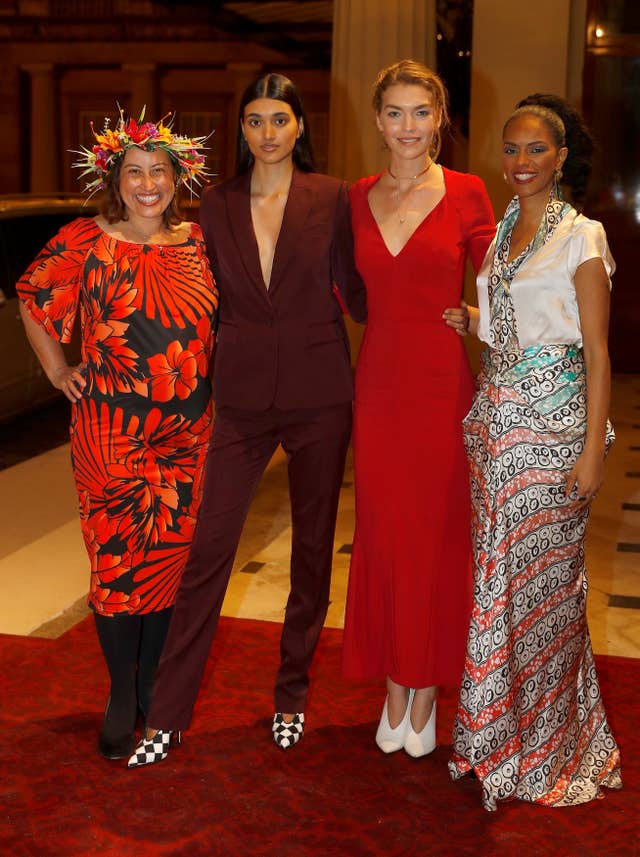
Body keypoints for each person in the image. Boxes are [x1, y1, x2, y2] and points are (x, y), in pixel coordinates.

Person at [127, 72, 367, 767]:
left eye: (279, 120)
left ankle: (290, 695)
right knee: (209, 552)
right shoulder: (216, 202)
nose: (267, 132)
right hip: (238, 396)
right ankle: (167, 716)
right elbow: (193, 292)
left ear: (299, 127)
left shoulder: (334, 197)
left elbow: (358, 292)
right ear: (243, 130)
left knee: (313, 552)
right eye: (255, 121)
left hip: (322, 391)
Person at [16, 108, 218, 760]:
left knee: (168, 562)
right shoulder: (86, 239)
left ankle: (154, 686)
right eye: (135, 172)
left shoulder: (200, 241)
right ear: (116, 179)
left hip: (188, 431)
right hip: (109, 427)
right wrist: (56, 368)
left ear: (177, 177)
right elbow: (33, 293)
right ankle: (120, 693)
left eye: (160, 170)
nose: (149, 183)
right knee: (116, 562)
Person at [448, 95, 622, 809]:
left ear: (561, 158)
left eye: (535, 150)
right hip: (495, 429)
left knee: (545, 593)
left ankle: (551, 745)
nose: (520, 162)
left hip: (553, 435)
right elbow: (505, 334)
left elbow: (599, 354)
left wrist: (591, 453)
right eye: (511, 149)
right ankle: (496, 741)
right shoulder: (497, 235)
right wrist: (471, 322)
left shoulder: (582, 236)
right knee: (499, 585)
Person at [341, 59, 495, 758]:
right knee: (383, 524)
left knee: (436, 532)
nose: (409, 126)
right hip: (377, 381)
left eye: (421, 112)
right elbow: (341, 286)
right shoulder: (353, 196)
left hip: (439, 380)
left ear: (440, 120)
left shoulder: (467, 192)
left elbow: (506, 283)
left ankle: (426, 682)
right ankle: (392, 684)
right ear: (379, 121)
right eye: (396, 113)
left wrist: (473, 312)